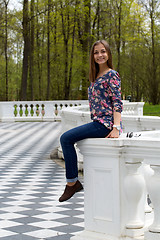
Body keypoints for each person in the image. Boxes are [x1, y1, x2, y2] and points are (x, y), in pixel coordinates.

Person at [59, 40, 123, 202]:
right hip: (97, 121)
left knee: (65, 138)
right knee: (67, 139)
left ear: (108, 54)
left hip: (105, 124)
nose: (100, 55)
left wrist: (115, 128)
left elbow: (117, 102)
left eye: (103, 51)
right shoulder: (95, 77)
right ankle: (73, 182)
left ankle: (72, 183)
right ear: (92, 56)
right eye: (96, 52)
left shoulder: (112, 74)